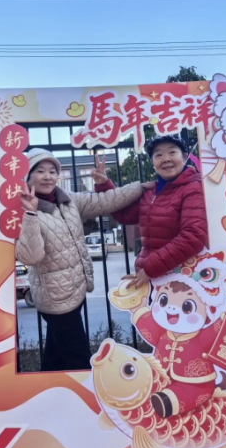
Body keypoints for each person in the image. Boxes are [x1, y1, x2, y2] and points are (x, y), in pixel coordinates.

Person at [16, 148, 149, 372]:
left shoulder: (69, 200)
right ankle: (88, 391)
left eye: (52, 171)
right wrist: (30, 214)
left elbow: (106, 200)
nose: (48, 176)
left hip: (75, 291)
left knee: (56, 357)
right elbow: (31, 256)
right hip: (55, 299)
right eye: (40, 171)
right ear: (28, 177)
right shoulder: (23, 209)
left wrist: (140, 187)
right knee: (80, 358)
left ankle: (48, 387)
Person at [94, 135, 208, 286]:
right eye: (158, 155)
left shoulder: (192, 188)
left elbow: (193, 236)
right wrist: (104, 185)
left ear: (184, 157)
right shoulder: (151, 191)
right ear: (152, 162)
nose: (166, 159)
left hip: (181, 277)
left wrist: (149, 269)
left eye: (172, 152)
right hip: (152, 277)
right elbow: (123, 215)